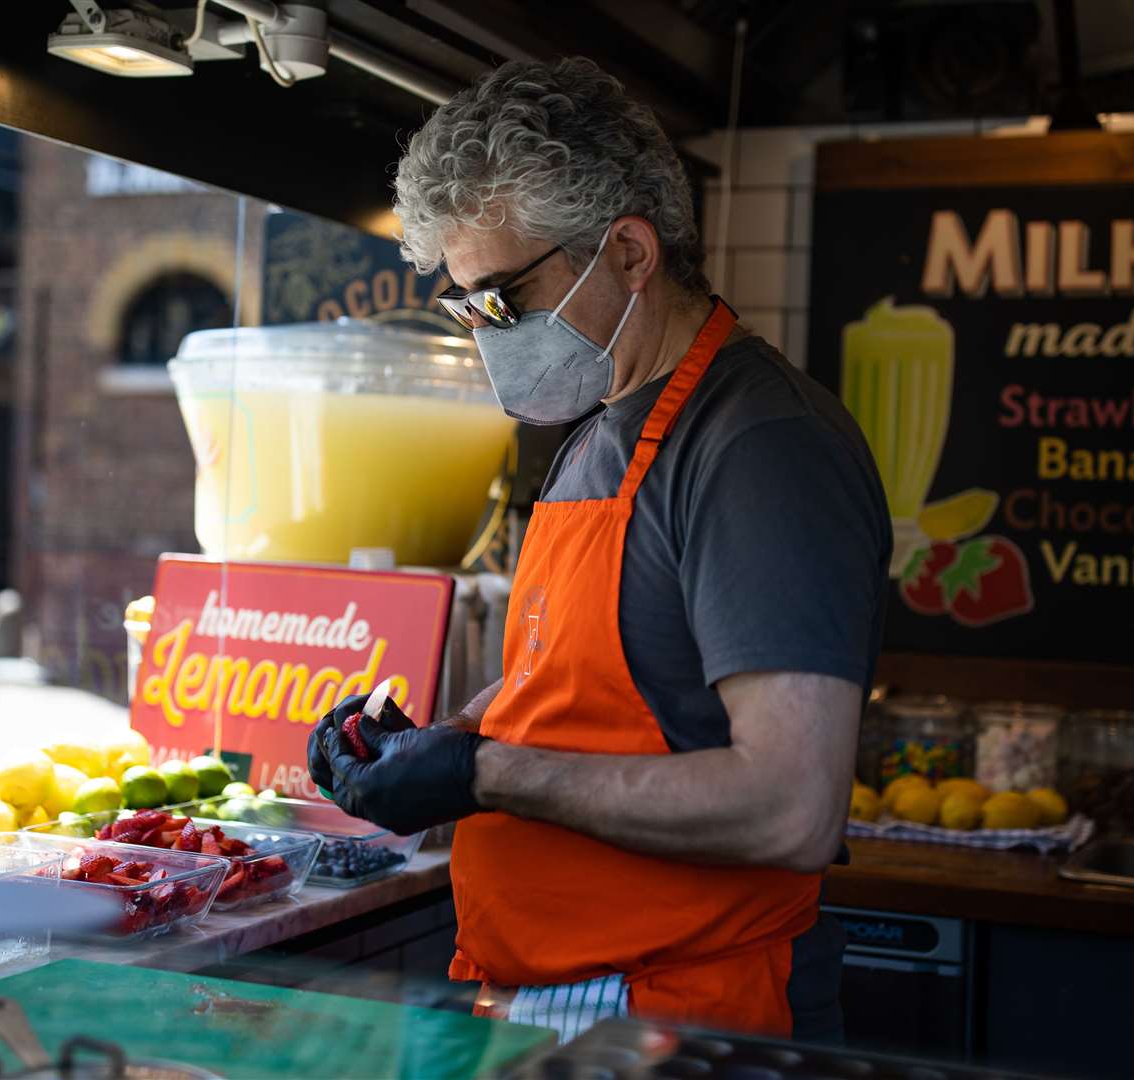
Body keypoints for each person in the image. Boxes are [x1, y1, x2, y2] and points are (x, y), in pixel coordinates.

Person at [310, 58, 890, 1044]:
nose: (484, 332)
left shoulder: (759, 446)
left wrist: (481, 775)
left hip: (684, 1018)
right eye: (464, 305)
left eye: (499, 297)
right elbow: (580, 681)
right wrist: (429, 742)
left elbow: (790, 804)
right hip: (550, 1003)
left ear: (628, 253)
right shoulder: (598, 432)